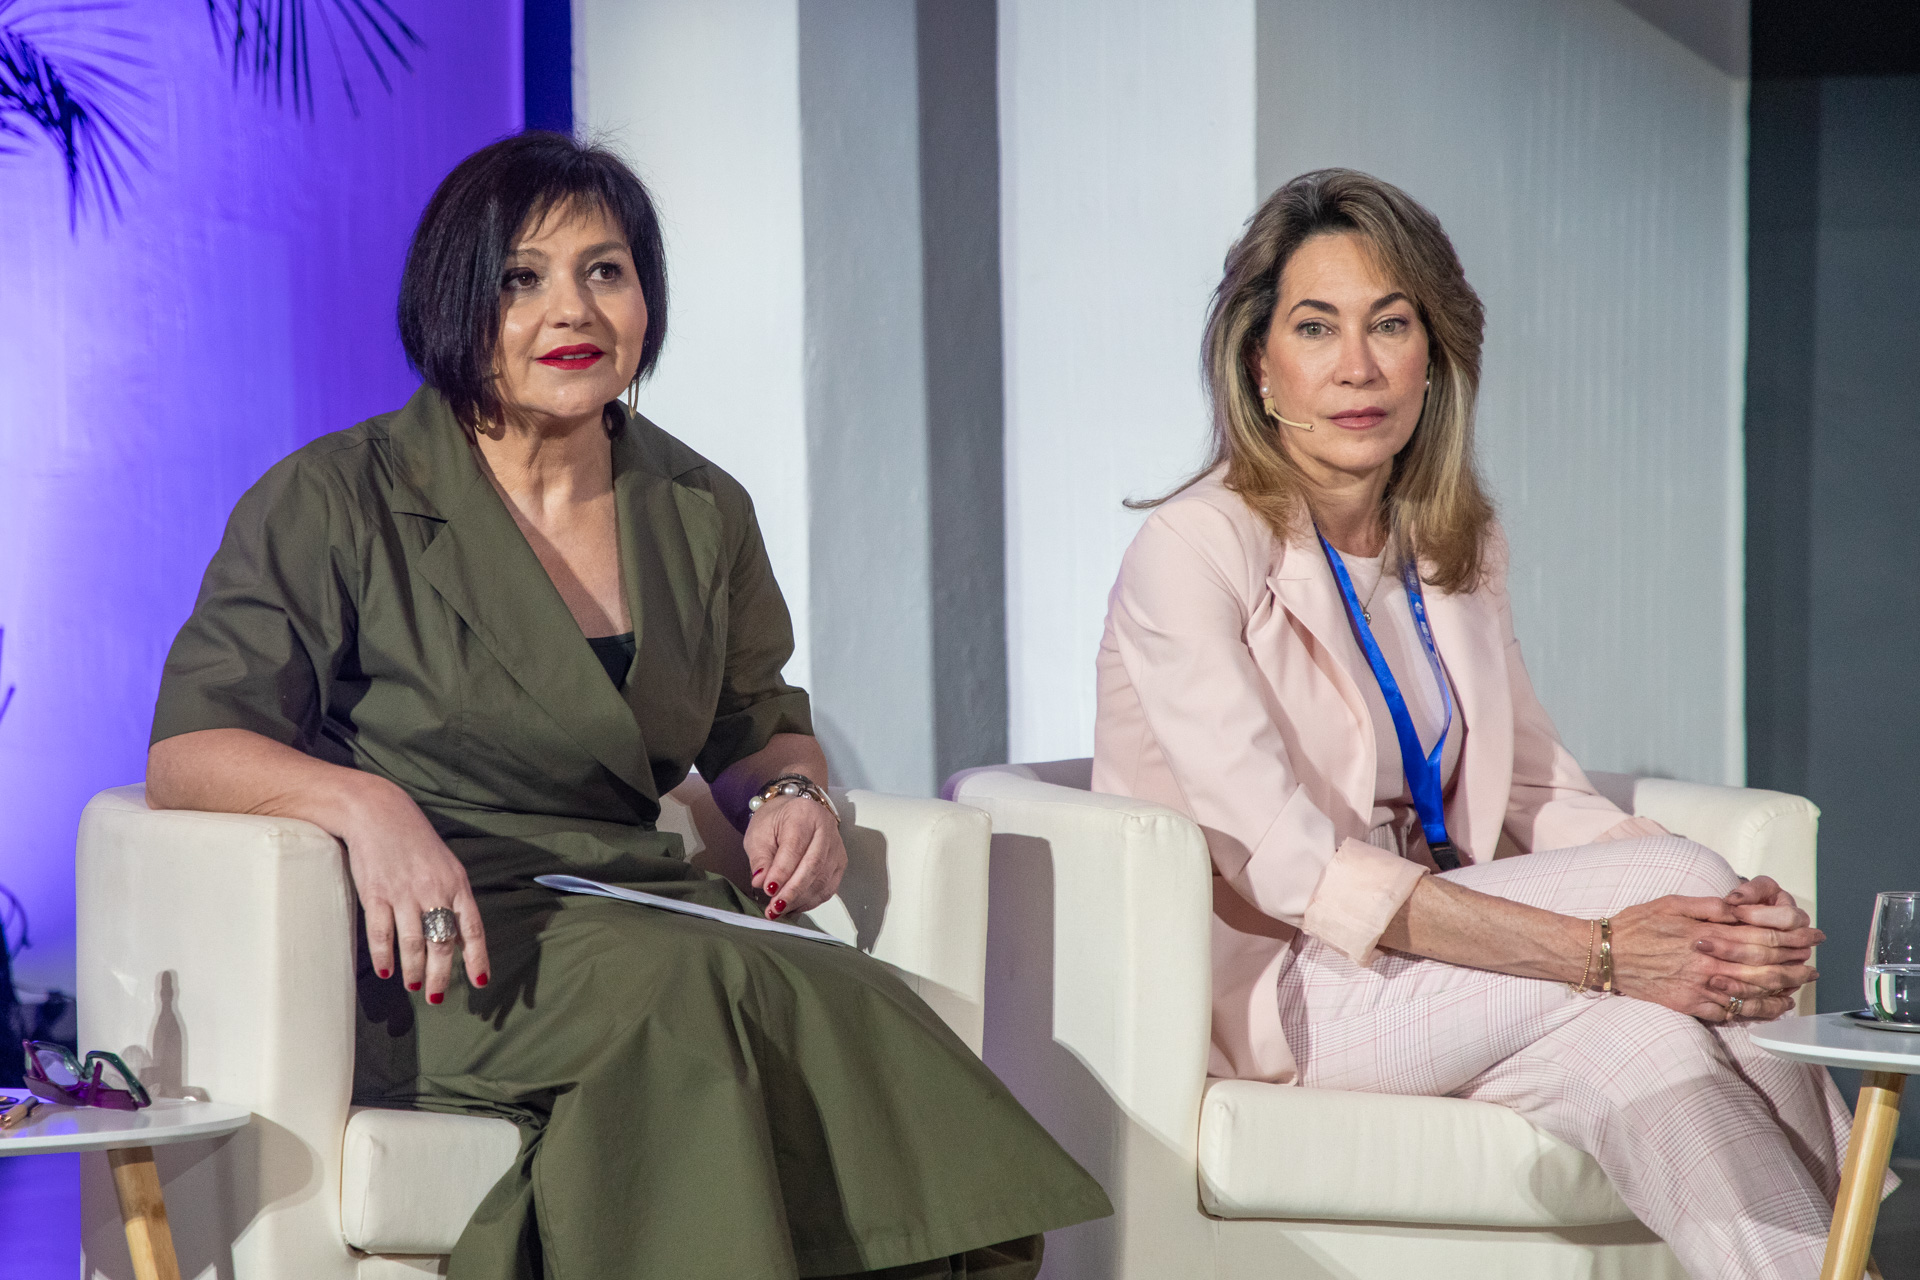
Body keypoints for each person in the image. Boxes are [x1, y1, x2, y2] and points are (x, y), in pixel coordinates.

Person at [146, 131, 1109, 1280]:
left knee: (858, 999)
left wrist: (792, 795)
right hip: (451, 944)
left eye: (605, 270)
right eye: (523, 277)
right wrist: (365, 806)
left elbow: (756, 724)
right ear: (455, 299)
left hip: (645, 902)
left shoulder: (698, 505)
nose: (574, 309)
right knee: (703, 996)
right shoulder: (335, 497)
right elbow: (192, 748)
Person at [1093, 168, 1887, 1280]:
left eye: (1391, 325)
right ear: (1259, 364)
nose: (1358, 366)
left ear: (1433, 359)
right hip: (1297, 986)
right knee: (1685, 890)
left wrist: (1699, 919)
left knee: (1657, 1050)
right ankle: (1869, 1210)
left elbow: (1533, 789)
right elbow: (1289, 863)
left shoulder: (1450, 543)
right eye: (1315, 328)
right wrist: (1608, 946)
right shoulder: (1194, 547)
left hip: (1451, 969)